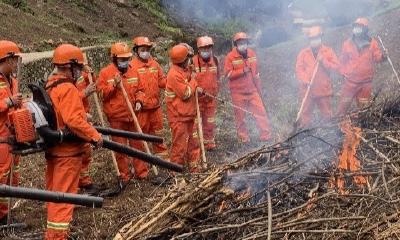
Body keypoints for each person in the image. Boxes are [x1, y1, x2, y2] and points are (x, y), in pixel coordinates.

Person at [45, 43, 102, 239]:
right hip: (68, 154)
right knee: (63, 199)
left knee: (54, 196)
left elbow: (62, 113)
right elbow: (73, 120)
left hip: (55, 150)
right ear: (69, 66)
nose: (79, 71)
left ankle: (53, 234)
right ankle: (57, 237)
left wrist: (83, 117)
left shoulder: (51, 84)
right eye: (78, 67)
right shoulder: (68, 88)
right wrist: (95, 136)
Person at [97, 42, 148, 182]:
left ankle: (142, 172)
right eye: (122, 59)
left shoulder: (133, 70)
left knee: (137, 145)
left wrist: (139, 101)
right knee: (120, 149)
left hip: (133, 116)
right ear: (114, 58)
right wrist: (113, 84)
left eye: (127, 59)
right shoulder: (105, 73)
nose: (125, 62)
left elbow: (141, 90)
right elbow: (101, 94)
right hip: (116, 118)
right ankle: (124, 176)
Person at [224, 32, 271, 143]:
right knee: (240, 117)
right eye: (240, 43)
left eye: (244, 42)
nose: (243, 44)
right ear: (236, 44)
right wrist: (241, 71)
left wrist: (259, 89)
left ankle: (266, 136)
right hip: (238, 92)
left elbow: (256, 74)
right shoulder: (230, 57)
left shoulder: (252, 54)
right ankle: (243, 138)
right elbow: (227, 74)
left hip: (252, 90)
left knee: (261, 112)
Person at [131, 37, 169, 160]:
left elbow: (162, 81)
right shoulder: (131, 66)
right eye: (143, 49)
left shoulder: (155, 64)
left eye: (147, 49)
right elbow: (131, 88)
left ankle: (162, 158)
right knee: (141, 136)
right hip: (142, 109)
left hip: (155, 107)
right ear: (136, 51)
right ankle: (143, 160)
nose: (146, 52)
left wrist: (171, 82)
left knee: (158, 133)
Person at [336, 17, 384, 116]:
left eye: (360, 27)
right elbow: (342, 61)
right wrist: (343, 73)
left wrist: (383, 57)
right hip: (350, 83)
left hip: (365, 84)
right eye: (355, 26)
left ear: (365, 29)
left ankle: (363, 126)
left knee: (364, 109)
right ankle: (338, 125)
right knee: (343, 107)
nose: (356, 29)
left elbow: (377, 57)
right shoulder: (347, 44)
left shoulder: (372, 43)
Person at [295, 26, 340, 127]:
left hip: (323, 89)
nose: (314, 41)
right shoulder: (303, 53)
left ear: (320, 38)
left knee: (327, 115)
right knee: (305, 116)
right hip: (307, 90)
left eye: (316, 38)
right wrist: (305, 80)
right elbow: (299, 70)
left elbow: (336, 66)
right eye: (312, 39)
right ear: (309, 40)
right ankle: (304, 133)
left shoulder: (328, 51)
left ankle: (331, 132)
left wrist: (324, 61)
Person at [165, 44, 200, 173]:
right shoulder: (173, 74)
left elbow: (191, 83)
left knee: (193, 143)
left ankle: (194, 168)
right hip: (178, 117)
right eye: (188, 58)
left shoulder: (185, 70)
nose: (190, 61)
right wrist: (194, 81)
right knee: (179, 146)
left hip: (189, 114)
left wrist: (193, 78)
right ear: (182, 60)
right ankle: (176, 171)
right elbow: (185, 93)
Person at [0, 40, 22, 224]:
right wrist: (8, 103)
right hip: (0, 138)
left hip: (12, 135)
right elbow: (7, 103)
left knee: (11, 177)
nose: (15, 64)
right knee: (1, 176)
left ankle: (5, 214)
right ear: (6, 60)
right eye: (14, 60)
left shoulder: (13, 81)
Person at [192, 36, 219, 150]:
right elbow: (188, 79)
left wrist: (215, 91)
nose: (206, 51)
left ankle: (209, 143)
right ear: (198, 50)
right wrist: (196, 88)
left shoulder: (215, 61)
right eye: (204, 48)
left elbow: (217, 78)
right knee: (197, 123)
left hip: (211, 99)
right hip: (197, 100)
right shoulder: (192, 62)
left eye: (208, 48)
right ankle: (198, 145)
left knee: (210, 122)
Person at [75, 66, 98, 194]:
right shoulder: (63, 80)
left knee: (85, 152)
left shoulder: (78, 74)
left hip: (84, 116)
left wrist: (91, 73)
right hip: (76, 118)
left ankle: (85, 181)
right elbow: (68, 100)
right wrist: (85, 93)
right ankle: (75, 186)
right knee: (76, 153)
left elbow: (92, 82)